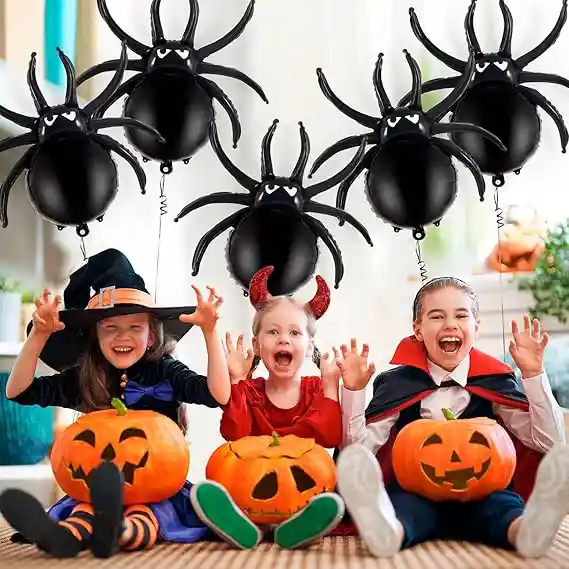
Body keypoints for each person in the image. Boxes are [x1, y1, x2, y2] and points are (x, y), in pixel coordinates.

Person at [0, 248, 231, 558]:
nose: (123, 336)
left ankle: (119, 530)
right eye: (111, 328)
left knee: (146, 512)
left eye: (135, 327)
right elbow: (18, 392)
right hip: (96, 488)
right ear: (95, 336)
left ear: (152, 335)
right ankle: (64, 536)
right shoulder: (84, 376)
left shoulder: (165, 370)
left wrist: (210, 331)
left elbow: (219, 395)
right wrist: (38, 337)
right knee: (84, 507)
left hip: (155, 487)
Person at [336, 276, 569, 558]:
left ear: (476, 327)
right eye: (436, 316)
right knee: (402, 511)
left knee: (504, 509)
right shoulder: (397, 385)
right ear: (418, 329)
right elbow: (358, 452)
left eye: (461, 315)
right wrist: (354, 391)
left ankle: (527, 532)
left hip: (485, 490)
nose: (450, 324)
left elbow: (549, 442)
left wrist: (533, 374)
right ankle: (387, 533)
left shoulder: (494, 381)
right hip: (416, 491)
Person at [190, 265, 375, 551]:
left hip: (302, 488)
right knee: (235, 478)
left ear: (310, 343)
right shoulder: (251, 391)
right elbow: (234, 432)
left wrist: (330, 384)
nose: (283, 339)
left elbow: (327, 436)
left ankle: (298, 524)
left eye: (295, 333)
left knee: (321, 500)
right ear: (257, 344)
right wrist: (238, 379)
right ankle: (247, 526)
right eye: (272, 332)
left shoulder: (316, 388)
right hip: (254, 487)